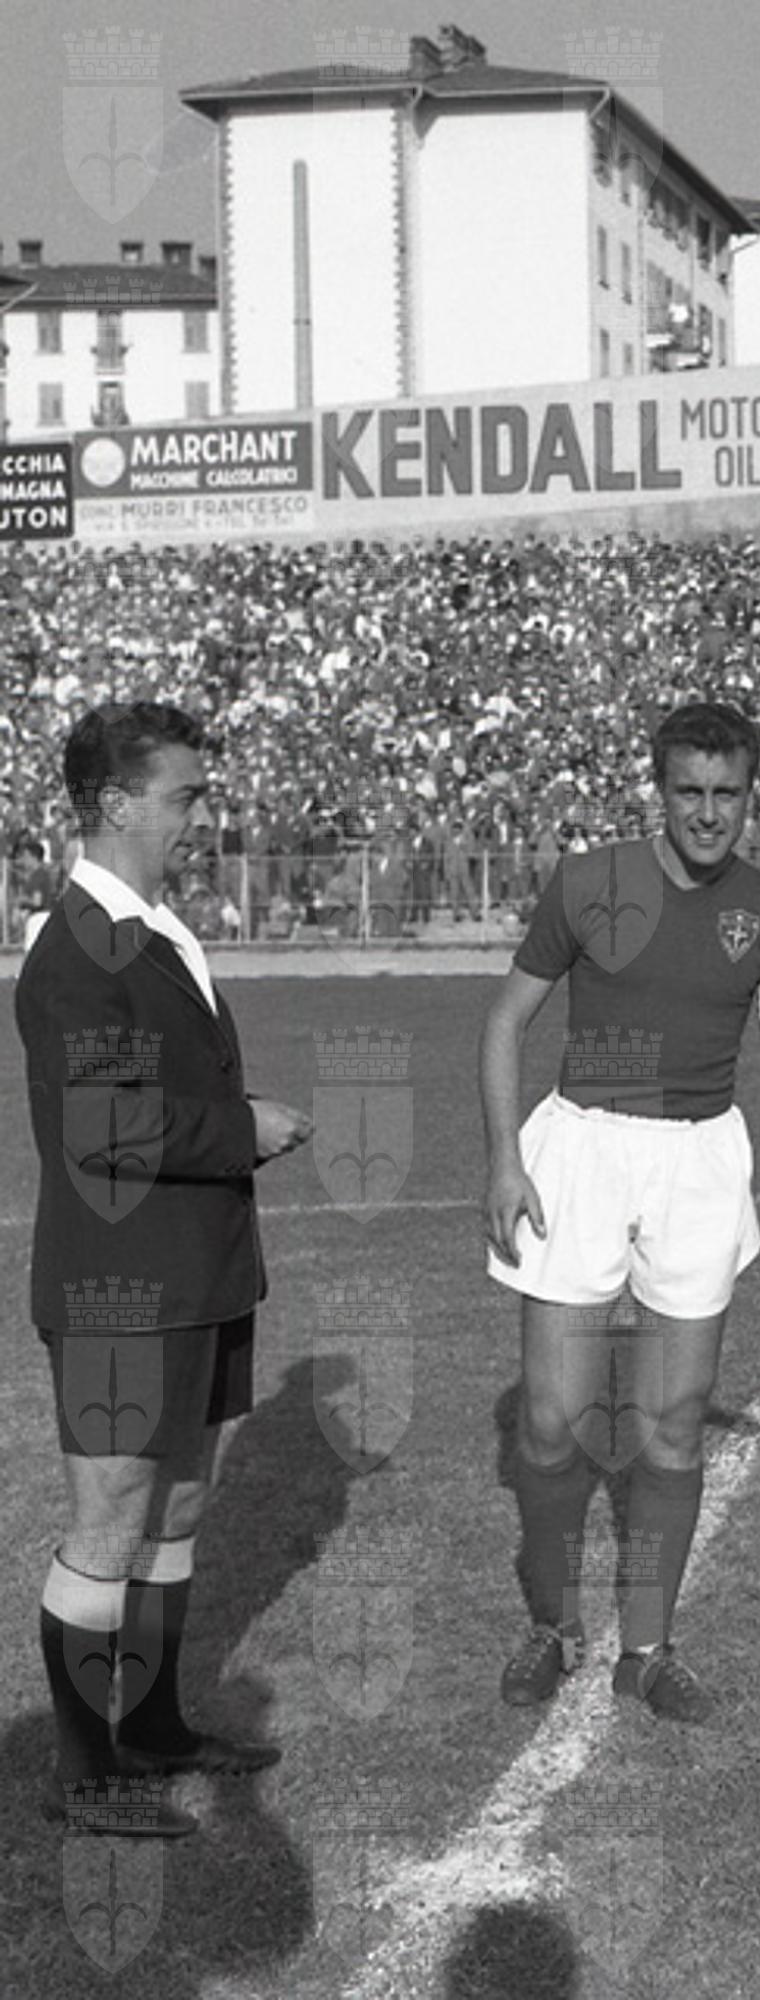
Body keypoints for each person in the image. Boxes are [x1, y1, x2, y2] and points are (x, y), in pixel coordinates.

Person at [481, 702, 760, 1723]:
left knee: (673, 1425)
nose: (709, 813)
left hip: (698, 1162)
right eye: (689, 792)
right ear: (659, 791)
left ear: (752, 796)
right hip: (582, 1150)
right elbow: (504, 1023)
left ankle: (648, 1650)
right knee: (549, 1421)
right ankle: (552, 1626)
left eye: (728, 794)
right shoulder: (589, 881)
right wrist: (503, 1162)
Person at [16, 702, 313, 1837]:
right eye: (184, 796)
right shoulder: (75, 952)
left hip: (198, 1271)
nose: (200, 816)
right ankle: (85, 1769)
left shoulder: (150, 926)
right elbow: (101, 1128)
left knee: (179, 1498)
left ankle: (152, 1725)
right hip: (122, 1284)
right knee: (111, 1512)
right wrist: (243, 1127)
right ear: (114, 802)